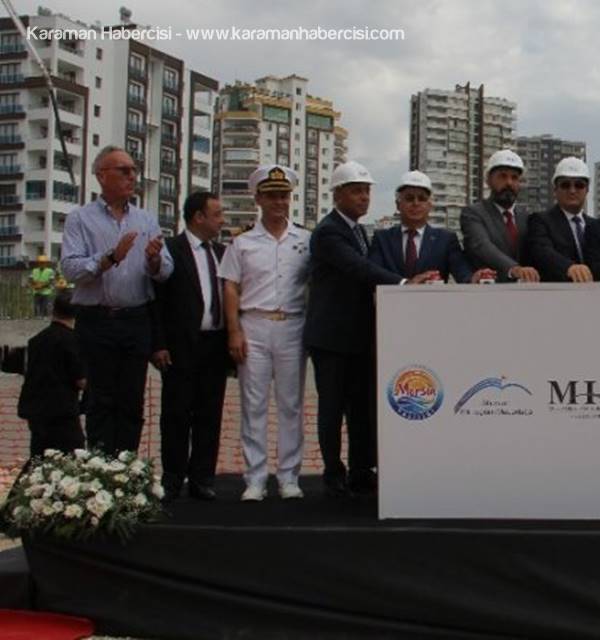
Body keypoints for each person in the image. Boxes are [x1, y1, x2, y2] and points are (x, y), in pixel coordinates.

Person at [307, 161, 416, 499]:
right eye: (356, 191)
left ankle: (360, 470)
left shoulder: (357, 230)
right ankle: (333, 472)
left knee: (360, 408)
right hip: (331, 337)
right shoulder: (329, 232)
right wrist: (402, 283)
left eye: (367, 191)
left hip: (358, 336)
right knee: (332, 408)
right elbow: (358, 268)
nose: (364, 197)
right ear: (338, 194)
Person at [60, 145, 174, 454]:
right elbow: (70, 269)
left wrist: (154, 261)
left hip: (135, 320)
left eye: (134, 170)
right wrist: (109, 258)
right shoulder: (80, 219)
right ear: (101, 176)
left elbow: (166, 270)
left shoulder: (146, 220)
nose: (131, 176)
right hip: (97, 320)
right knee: (100, 401)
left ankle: (127, 469)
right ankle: (102, 470)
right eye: (123, 170)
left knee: (131, 402)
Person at [219, 164, 309, 502]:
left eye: (284, 196)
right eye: (271, 196)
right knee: (253, 404)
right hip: (254, 325)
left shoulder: (305, 240)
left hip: (293, 325)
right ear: (258, 199)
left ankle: (289, 477)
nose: (278, 202)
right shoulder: (242, 242)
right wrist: (233, 330)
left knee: (291, 405)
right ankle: (255, 478)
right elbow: (231, 286)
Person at [150, 192, 231, 501]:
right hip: (180, 346)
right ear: (198, 217)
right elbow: (156, 302)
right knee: (176, 414)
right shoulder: (171, 250)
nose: (222, 220)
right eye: (217, 214)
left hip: (215, 345)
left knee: (210, 414)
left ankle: (202, 478)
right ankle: (173, 478)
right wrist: (158, 344)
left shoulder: (222, 253)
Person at [370, 171, 477, 283]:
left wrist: (473, 279)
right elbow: (374, 274)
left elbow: (462, 272)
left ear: (430, 205)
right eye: (409, 198)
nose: (416, 203)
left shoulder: (446, 240)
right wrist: (404, 283)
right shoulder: (382, 239)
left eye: (422, 199)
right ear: (398, 204)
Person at [17, 292, 86, 458]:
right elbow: (81, 380)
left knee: (39, 458)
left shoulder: (36, 340)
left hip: (36, 410)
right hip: (62, 411)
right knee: (71, 457)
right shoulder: (73, 341)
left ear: (53, 310)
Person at [460, 149, 540, 283]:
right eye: (502, 176)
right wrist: (514, 269)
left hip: (525, 291)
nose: (509, 183)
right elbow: (482, 246)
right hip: (487, 291)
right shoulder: (473, 213)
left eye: (514, 177)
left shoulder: (527, 218)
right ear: (488, 180)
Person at [524, 157, 596, 283]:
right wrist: (569, 267)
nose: (572, 190)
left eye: (579, 185)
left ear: (587, 190)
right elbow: (542, 251)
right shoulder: (540, 221)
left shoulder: (596, 225)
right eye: (565, 185)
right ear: (555, 190)